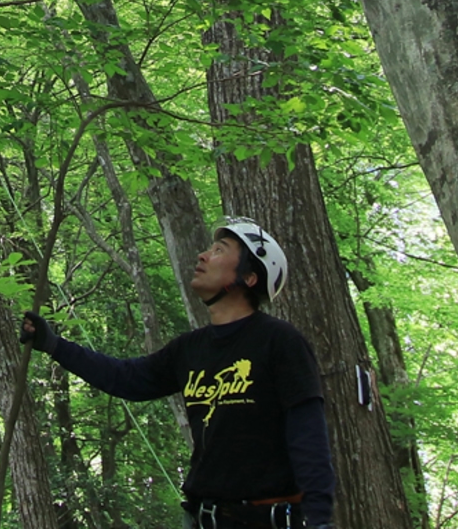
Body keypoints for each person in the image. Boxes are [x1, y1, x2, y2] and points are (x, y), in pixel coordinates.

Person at [20, 220, 334, 529]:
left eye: (219, 250)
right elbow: (126, 378)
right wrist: (54, 345)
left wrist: (320, 520)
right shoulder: (189, 349)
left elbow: (308, 434)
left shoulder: (280, 342)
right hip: (201, 517)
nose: (202, 256)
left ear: (249, 278)